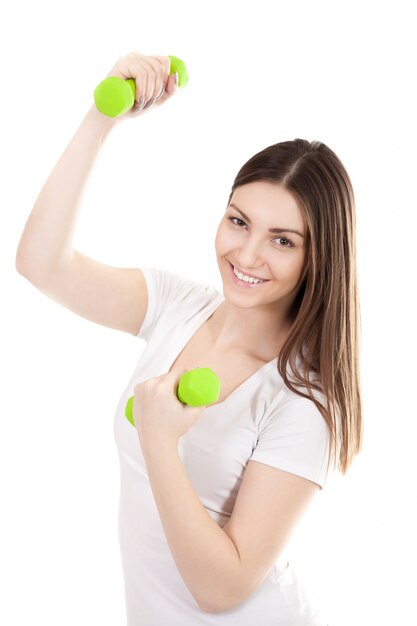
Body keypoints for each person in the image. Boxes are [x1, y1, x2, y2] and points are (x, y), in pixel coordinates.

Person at [15, 51, 363, 625]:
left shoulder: (303, 399)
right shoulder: (178, 305)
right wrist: (101, 118)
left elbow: (219, 590)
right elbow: (41, 263)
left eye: (283, 241)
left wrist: (159, 441)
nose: (246, 254)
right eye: (238, 221)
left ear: (319, 257)